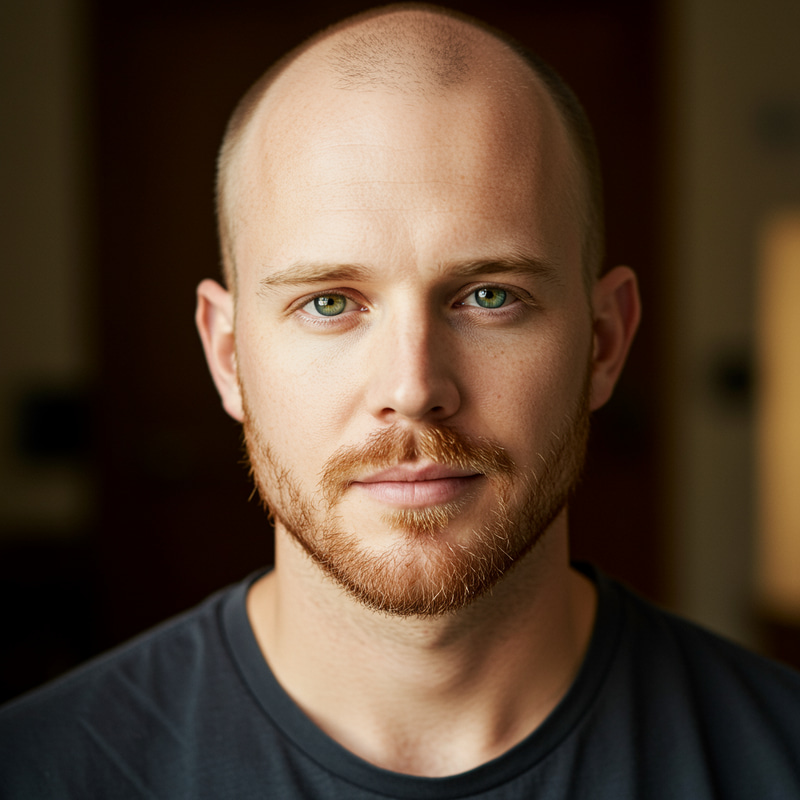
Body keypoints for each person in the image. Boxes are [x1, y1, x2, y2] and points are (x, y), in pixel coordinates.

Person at [2, 4, 800, 797]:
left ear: (604, 343)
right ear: (228, 355)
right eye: (328, 303)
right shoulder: (40, 771)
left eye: (489, 296)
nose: (413, 389)